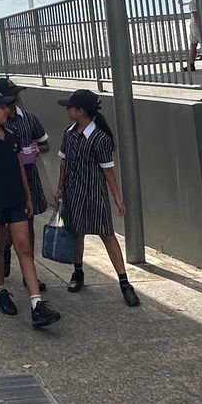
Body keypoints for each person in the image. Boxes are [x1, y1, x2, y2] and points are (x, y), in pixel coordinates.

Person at [0, 86, 60, 330]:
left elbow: (20, 169)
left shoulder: (11, 136)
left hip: (16, 200)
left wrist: (28, 197)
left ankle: (37, 303)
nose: (6, 110)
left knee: (24, 248)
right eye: (1, 107)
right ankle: (1, 290)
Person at [53, 89, 142, 305]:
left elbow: (108, 171)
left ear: (80, 111)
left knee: (107, 235)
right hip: (74, 193)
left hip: (95, 194)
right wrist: (60, 188)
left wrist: (117, 199)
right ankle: (78, 272)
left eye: (70, 107)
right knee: (76, 234)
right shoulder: (69, 133)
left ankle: (124, 282)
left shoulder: (100, 138)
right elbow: (63, 162)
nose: (67, 110)